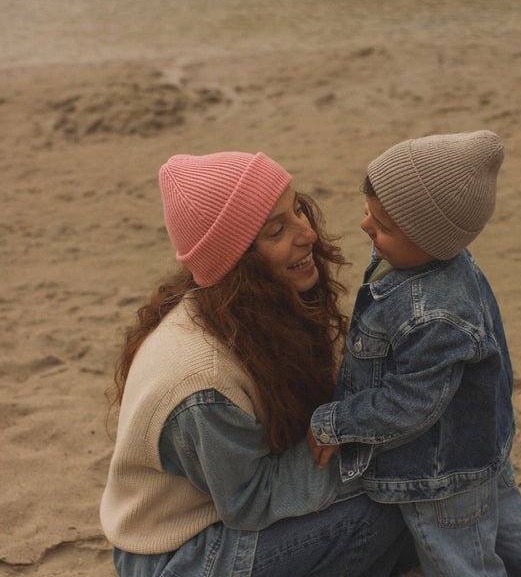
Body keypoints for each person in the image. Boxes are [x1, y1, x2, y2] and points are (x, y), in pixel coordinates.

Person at [100, 151, 418, 576]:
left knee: (404, 484)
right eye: (277, 230)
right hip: (179, 553)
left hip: (220, 515)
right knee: (384, 508)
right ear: (238, 265)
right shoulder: (203, 384)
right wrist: (368, 456)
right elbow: (250, 500)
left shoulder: (254, 313)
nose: (306, 232)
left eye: (297, 208)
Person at [307, 131, 521, 576]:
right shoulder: (439, 260)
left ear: (430, 240)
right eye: (368, 211)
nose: (366, 227)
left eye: (382, 226)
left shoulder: (433, 313)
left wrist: (336, 424)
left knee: (460, 558)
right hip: (480, 440)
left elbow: (411, 403)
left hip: (439, 473)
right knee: (508, 525)